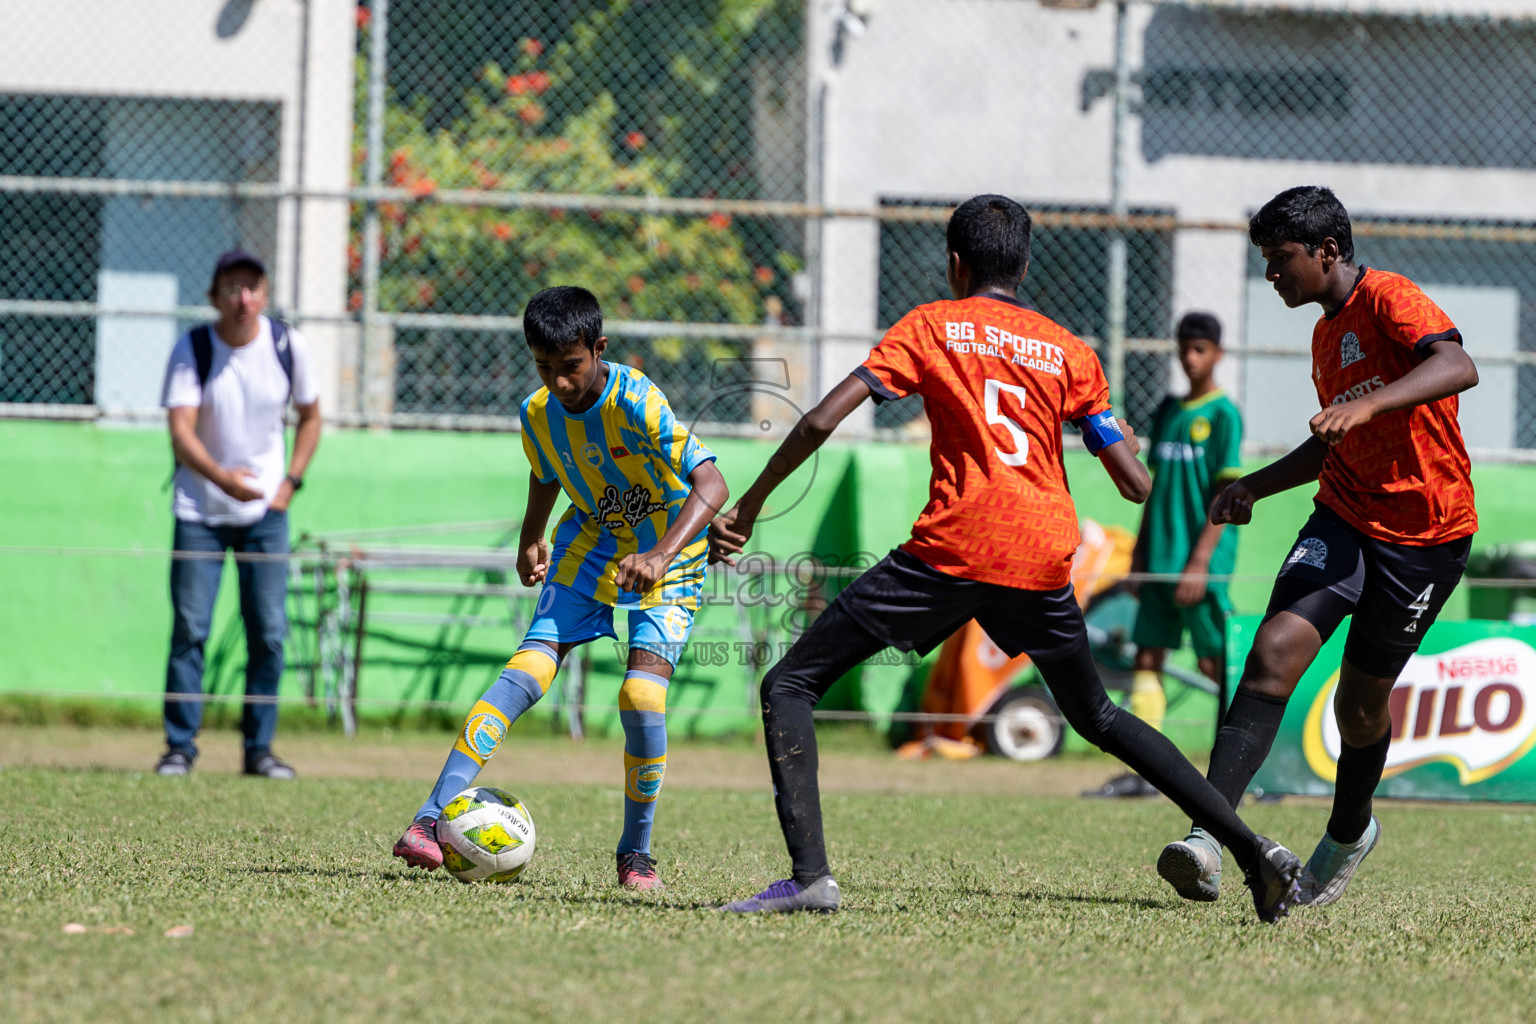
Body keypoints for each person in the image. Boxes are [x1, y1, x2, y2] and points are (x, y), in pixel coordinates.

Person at [709, 195, 1301, 922]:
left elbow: (823, 418)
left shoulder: (930, 325)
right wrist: (1109, 439)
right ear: (1023, 266)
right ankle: (1255, 852)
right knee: (1099, 715)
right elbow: (1136, 484)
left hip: (957, 546)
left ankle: (809, 878)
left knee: (791, 684)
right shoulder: (1067, 350)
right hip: (1042, 553)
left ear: (956, 264)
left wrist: (748, 504)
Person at [1156, 185, 1478, 908]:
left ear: (1327, 251)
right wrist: (1255, 487)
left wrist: (1364, 402)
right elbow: (1333, 438)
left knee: (1360, 708)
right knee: (1271, 653)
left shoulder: (1390, 297)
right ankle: (1209, 837)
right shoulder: (1325, 332)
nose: (1270, 275)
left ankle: (1350, 828)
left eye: (1279, 260)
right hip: (1344, 517)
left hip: (1426, 535)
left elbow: (1457, 365)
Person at [391, 285, 728, 890]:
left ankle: (636, 852)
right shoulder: (538, 413)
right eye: (544, 367)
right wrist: (530, 535)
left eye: (570, 367)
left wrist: (659, 553)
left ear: (598, 349)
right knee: (523, 674)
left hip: (669, 557)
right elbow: (544, 470)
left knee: (642, 699)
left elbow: (712, 484)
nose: (559, 383)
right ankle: (427, 820)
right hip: (591, 547)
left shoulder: (639, 401)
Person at [156, 249, 322, 779]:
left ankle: (259, 751)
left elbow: (312, 417)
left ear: (265, 294)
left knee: (269, 631)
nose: (243, 298)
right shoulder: (194, 348)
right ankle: (179, 747)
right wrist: (223, 479)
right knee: (190, 627)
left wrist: (289, 483)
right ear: (214, 296)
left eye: (252, 287)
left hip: (266, 517)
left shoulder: (287, 345)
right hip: (199, 511)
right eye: (232, 288)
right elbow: (181, 432)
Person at [1084, 312, 1243, 799]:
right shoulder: (1168, 410)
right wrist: (1138, 559)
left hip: (1201, 566)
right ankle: (1145, 775)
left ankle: (1244, 773)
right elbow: (1149, 491)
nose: (1191, 359)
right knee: (1147, 658)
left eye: (1201, 349)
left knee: (1217, 664)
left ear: (1217, 353)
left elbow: (1227, 495)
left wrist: (1198, 564)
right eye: (1185, 348)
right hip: (1157, 562)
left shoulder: (1223, 415)